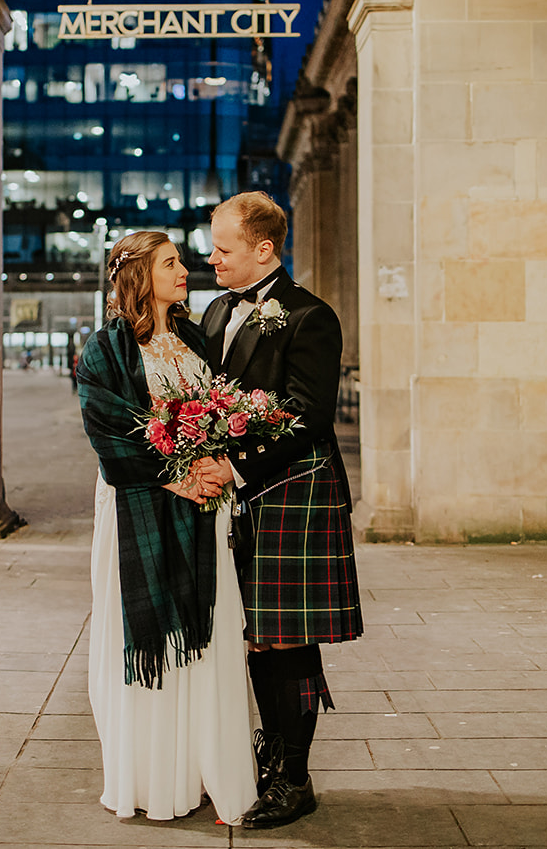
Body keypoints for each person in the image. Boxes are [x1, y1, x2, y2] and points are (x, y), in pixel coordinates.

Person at [75, 230, 258, 824]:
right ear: (139, 275)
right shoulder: (106, 349)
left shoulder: (194, 339)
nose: (186, 271)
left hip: (205, 512)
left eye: (182, 262)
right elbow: (106, 426)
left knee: (210, 634)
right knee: (149, 634)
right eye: (172, 263)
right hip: (137, 509)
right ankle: (154, 777)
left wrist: (214, 465)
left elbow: (220, 414)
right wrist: (171, 476)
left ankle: (203, 765)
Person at [197, 191, 363, 829]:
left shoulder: (308, 316)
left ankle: (294, 778)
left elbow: (308, 415)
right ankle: (269, 759)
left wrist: (234, 466)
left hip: (294, 494)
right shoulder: (215, 312)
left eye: (224, 248)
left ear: (264, 249)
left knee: (285, 643)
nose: (211, 258)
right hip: (238, 499)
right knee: (252, 640)